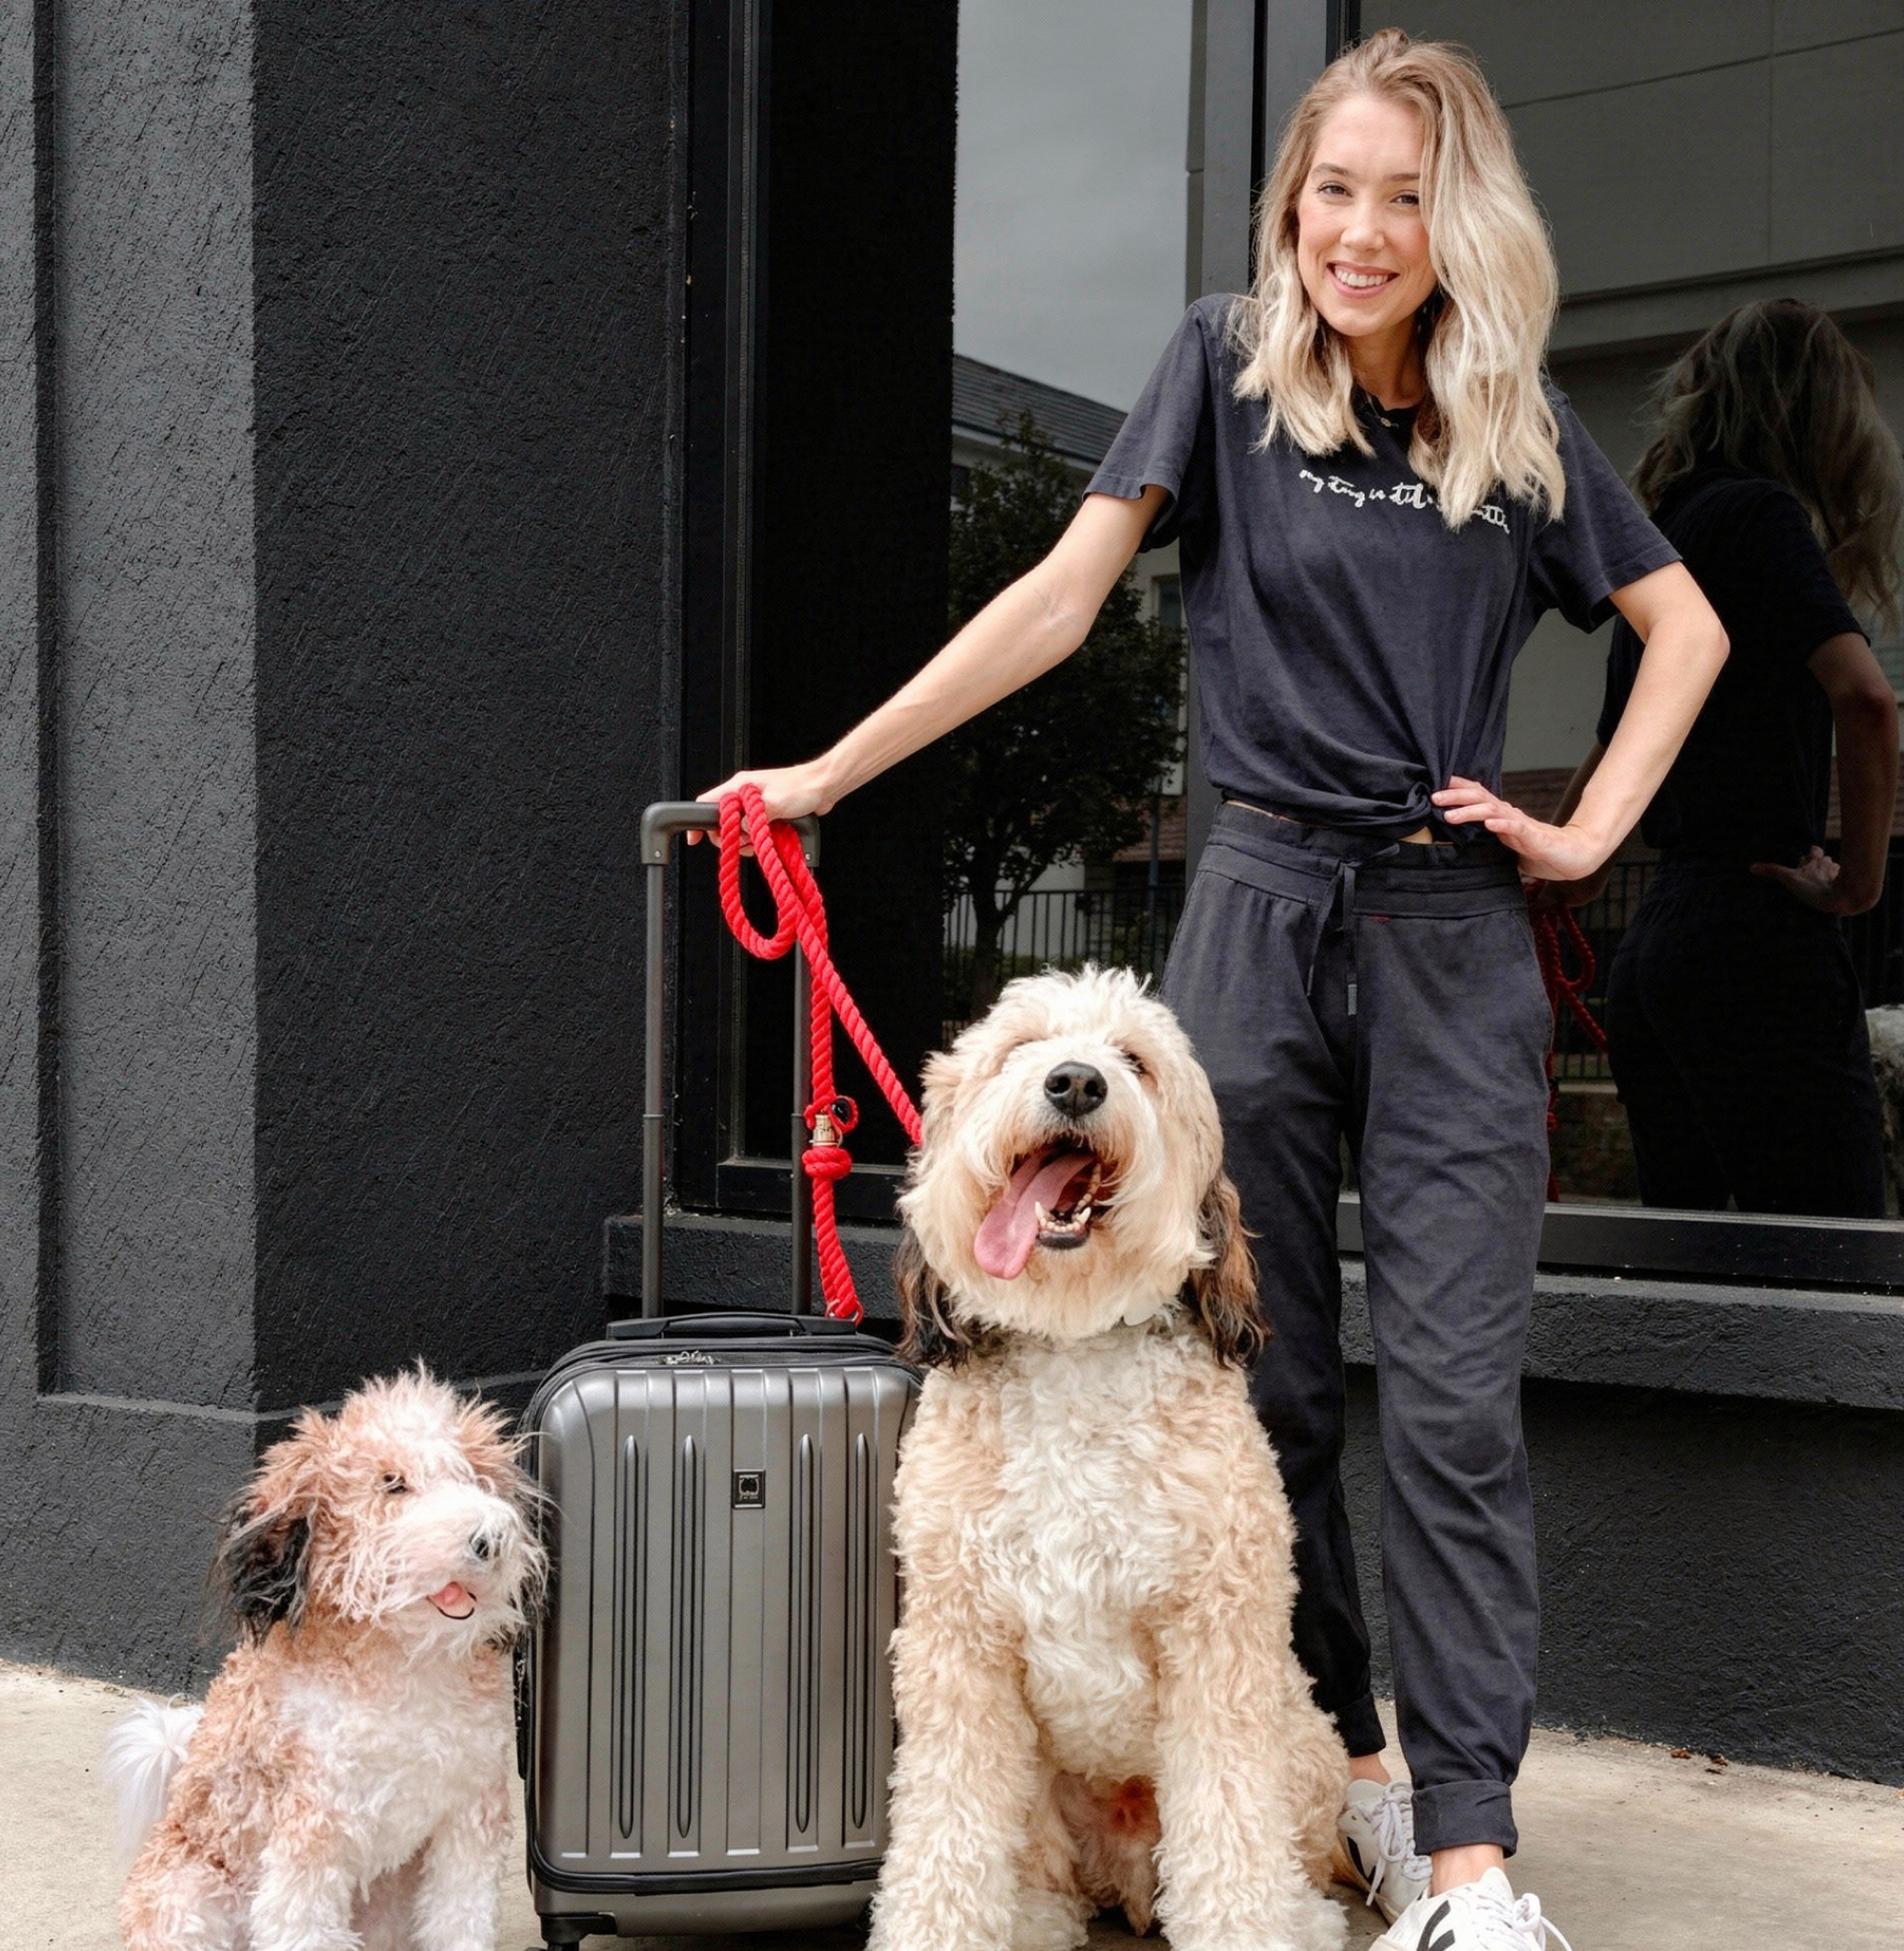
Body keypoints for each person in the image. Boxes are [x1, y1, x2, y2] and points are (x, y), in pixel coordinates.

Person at [701, 30, 1726, 1950]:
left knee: (1445, 1400)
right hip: (1250, 904)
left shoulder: (1510, 430)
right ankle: (1338, 1774)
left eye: (1400, 197)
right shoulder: (1222, 368)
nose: (1356, 230)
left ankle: (1470, 1856)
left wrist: (1585, 834)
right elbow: (1054, 606)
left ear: (1456, 221)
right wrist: (830, 773)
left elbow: (1691, 625)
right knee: (1261, 1380)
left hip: (1444, 928)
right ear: (1288, 205)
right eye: (1328, 189)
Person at [1552, 300, 1903, 1217]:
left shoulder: (1669, 528)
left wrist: (1572, 863)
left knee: (1696, 1272)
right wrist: (1859, 885)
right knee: (1833, 1263)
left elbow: (1617, 734)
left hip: (1662, 949)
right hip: (1760, 932)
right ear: (1821, 413)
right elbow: (1867, 699)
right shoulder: (1764, 514)